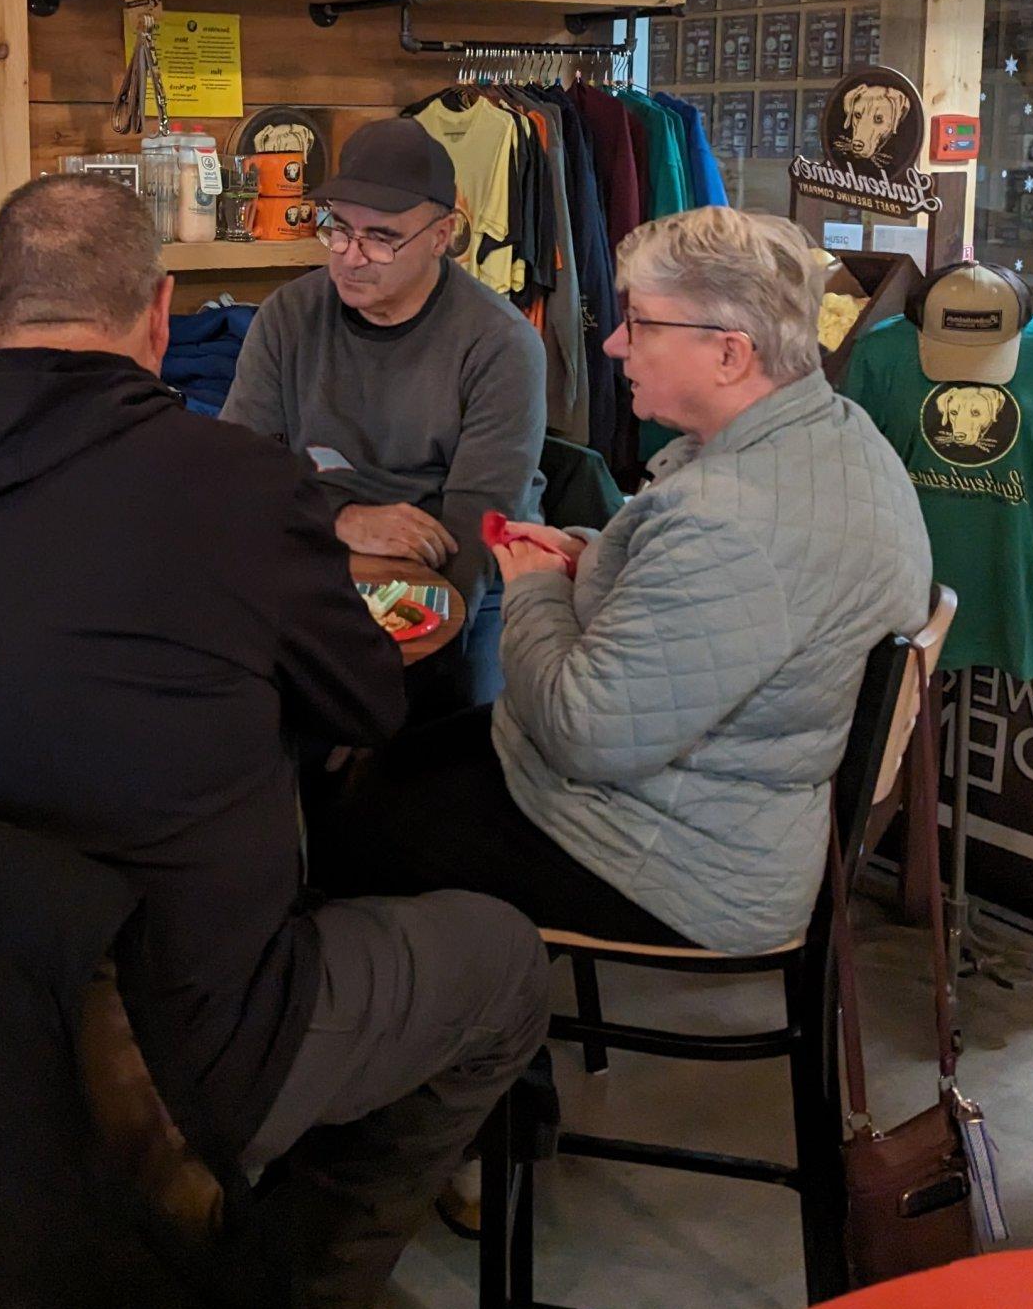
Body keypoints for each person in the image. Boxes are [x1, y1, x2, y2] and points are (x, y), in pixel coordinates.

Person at [0, 174, 548, 1307]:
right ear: (160, 317)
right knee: (502, 965)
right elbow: (366, 706)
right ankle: (292, 1280)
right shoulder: (240, 490)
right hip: (170, 1045)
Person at [317, 206, 933, 960]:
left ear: (730, 354)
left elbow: (585, 734)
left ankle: (469, 1048)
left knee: (347, 827)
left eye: (639, 324)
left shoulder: (733, 522)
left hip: (671, 861)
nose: (613, 345)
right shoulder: (834, 436)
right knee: (395, 768)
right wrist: (587, 553)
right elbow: (700, 595)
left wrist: (538, 585)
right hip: (726, 812)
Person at [221, 114, 545, 724]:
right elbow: (241, 473)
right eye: (338, 229)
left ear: (442, 234)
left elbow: (478, 524)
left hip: (466, 572)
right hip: (326, 553)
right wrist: (339, 521)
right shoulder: (289, 316)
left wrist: (405, 663)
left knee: (448, 739)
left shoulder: (499, 344)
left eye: (381, 238)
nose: (350, 257)